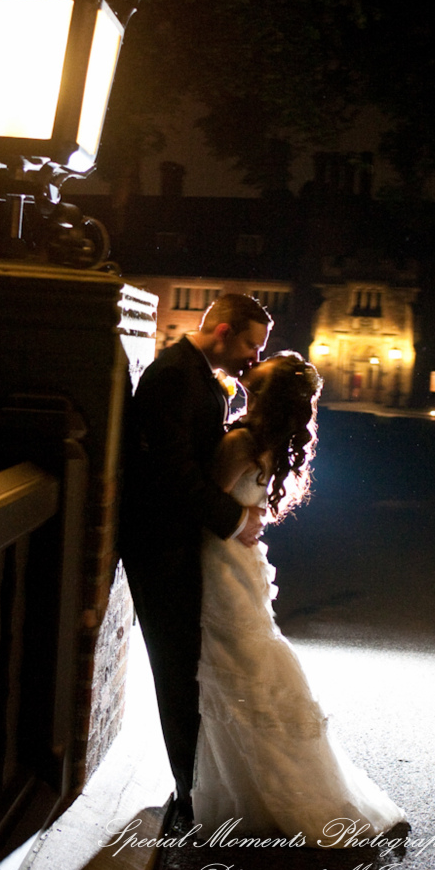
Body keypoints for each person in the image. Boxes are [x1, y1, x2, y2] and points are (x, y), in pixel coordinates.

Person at [192, 351, 407, 841]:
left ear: (263, 393)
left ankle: (263, 794)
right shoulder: (268, 442)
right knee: (247, 672)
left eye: (258, 371)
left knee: (235, 674)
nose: (250, 367)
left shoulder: (241, 442)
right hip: (242, 563)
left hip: (223, 563)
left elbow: (206, 500)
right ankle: (268, 789)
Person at [120, 294, 272, 818]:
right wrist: (236, 520)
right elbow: (174, 473)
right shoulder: (174, 377)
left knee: (187, 667)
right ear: (223, 331)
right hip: (160, 544)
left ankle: (195, 785)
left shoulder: (198, 375)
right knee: (176, 669)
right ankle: (190, 792)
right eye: (250, 344)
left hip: (180, 542)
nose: (254, 356)